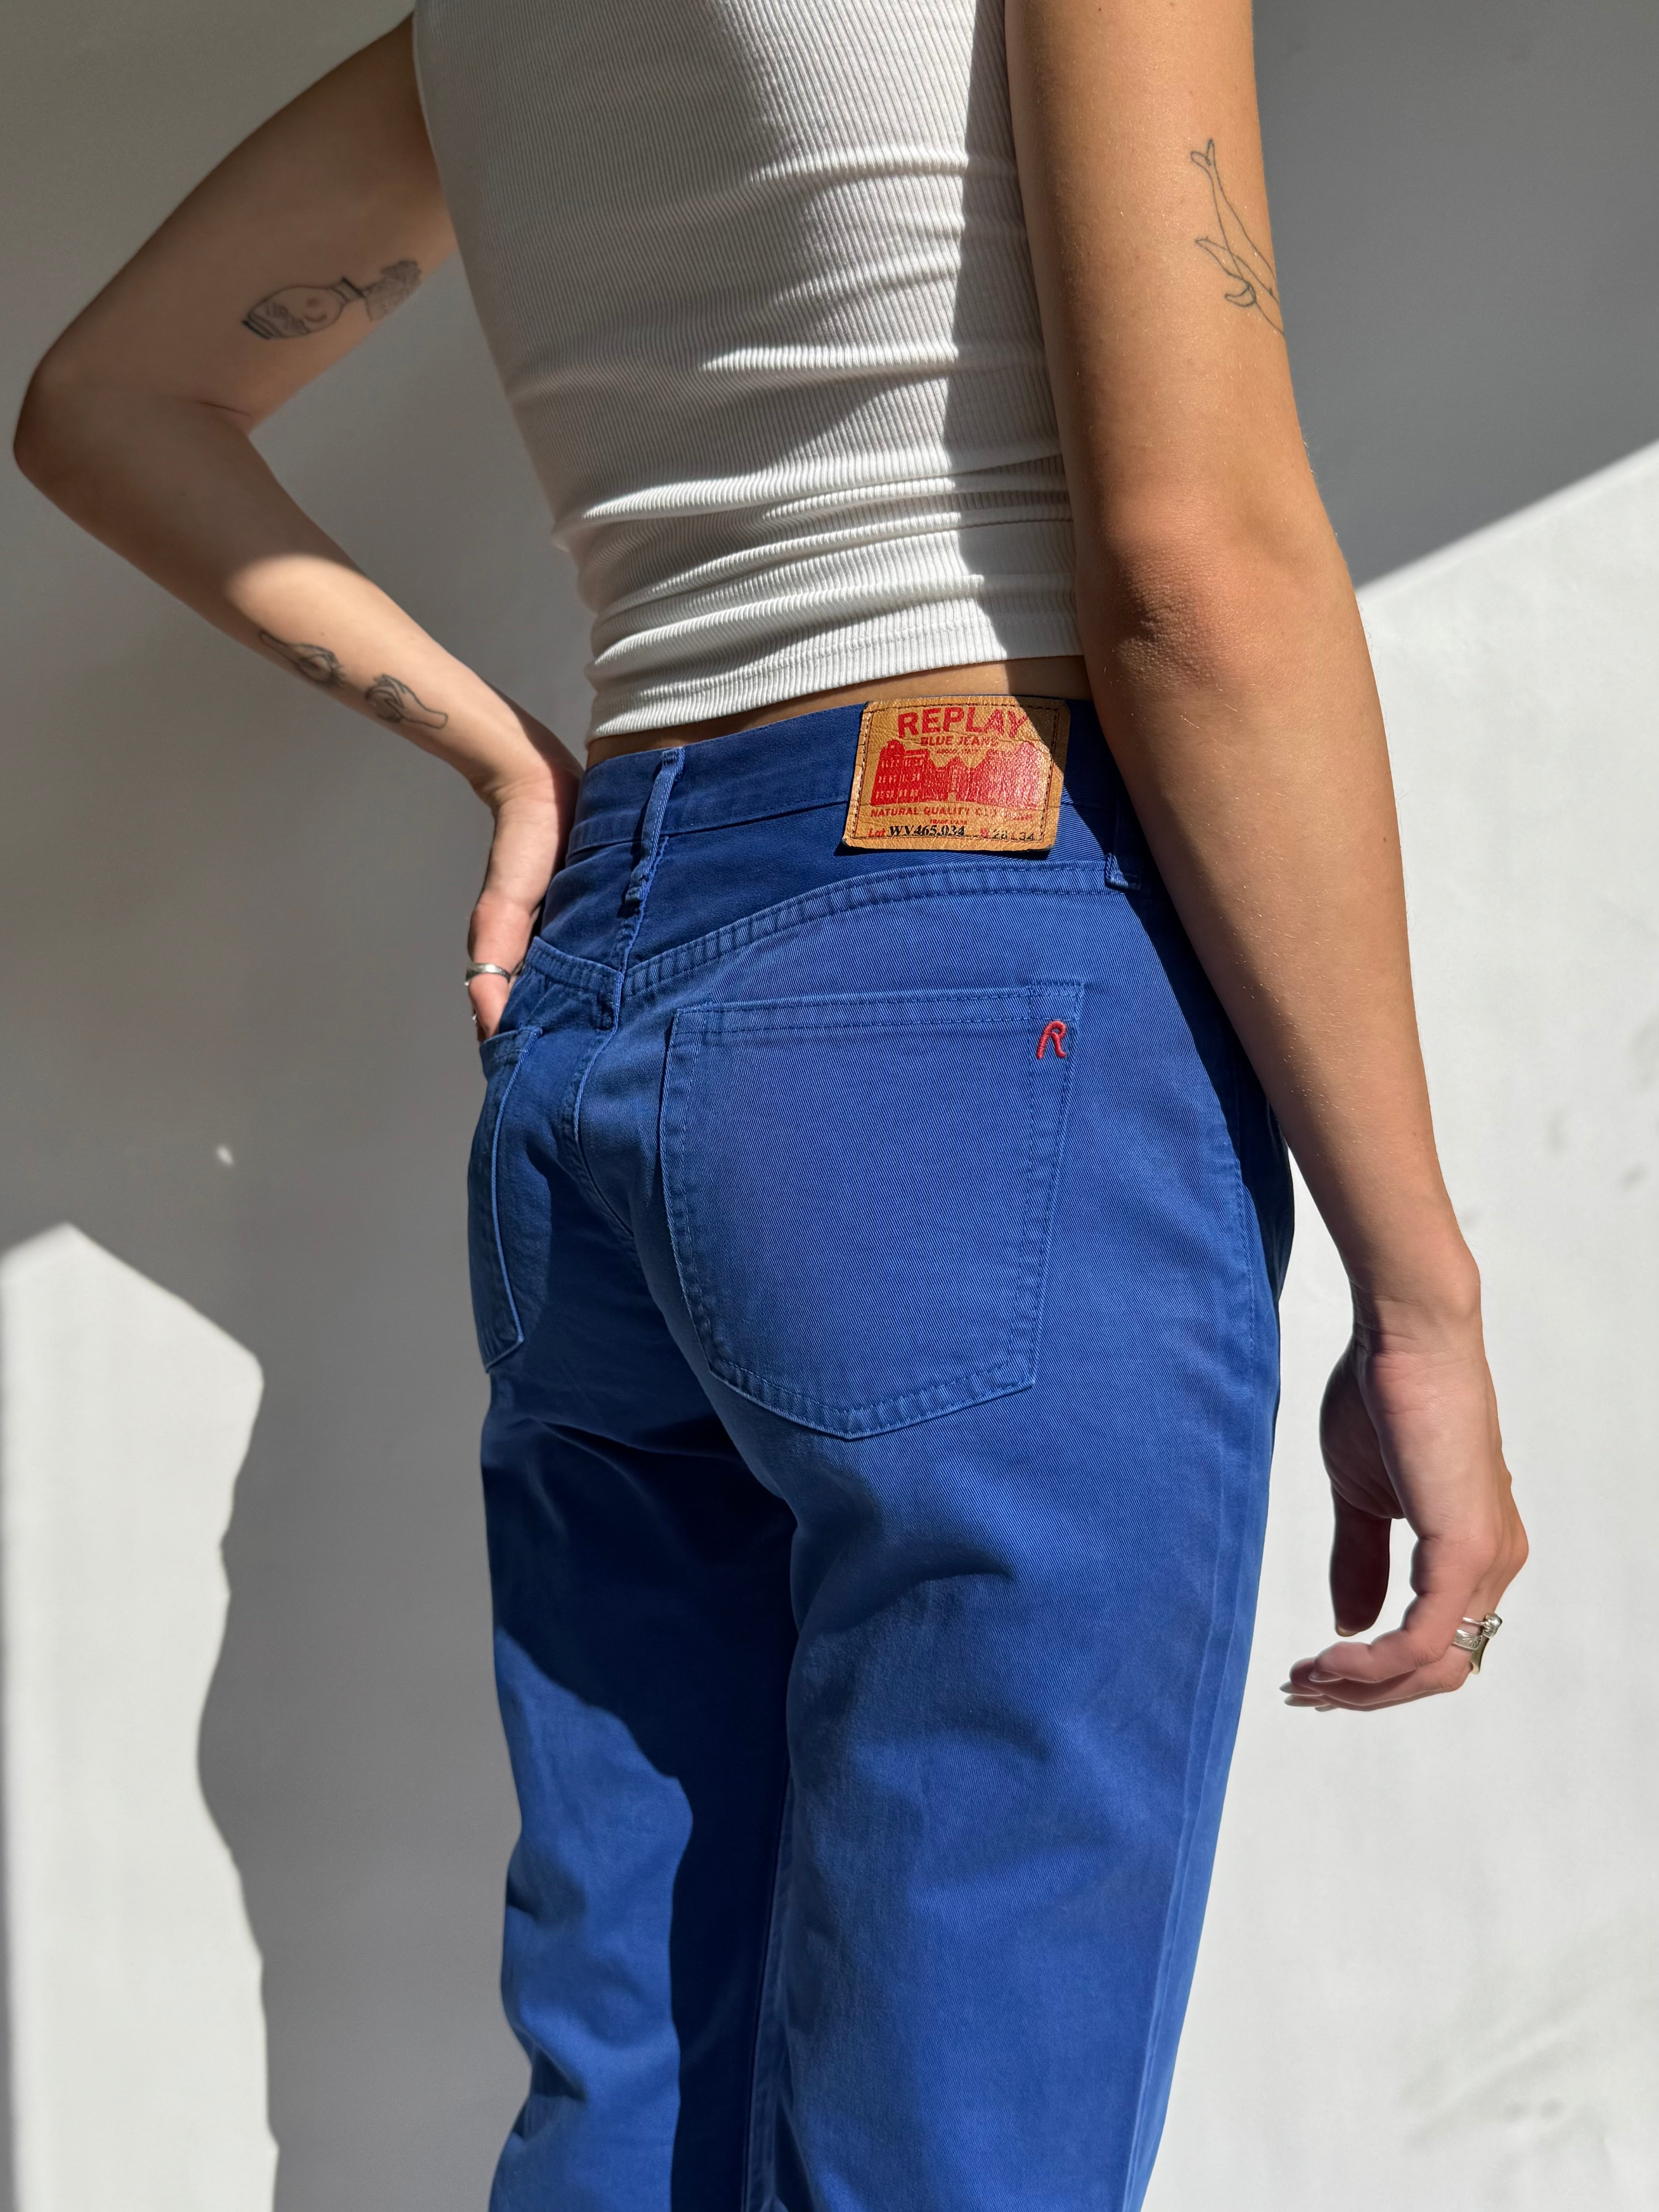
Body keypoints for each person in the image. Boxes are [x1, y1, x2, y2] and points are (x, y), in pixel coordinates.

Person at [13, 1, 1526, 2203]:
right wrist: (1424, 1292)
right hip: (964, 984)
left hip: (609, 984)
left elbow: (106, 399)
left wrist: (507, 755)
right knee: (960, 2126)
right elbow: (1196, 572)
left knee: (631, 2077)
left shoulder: (483, 36)